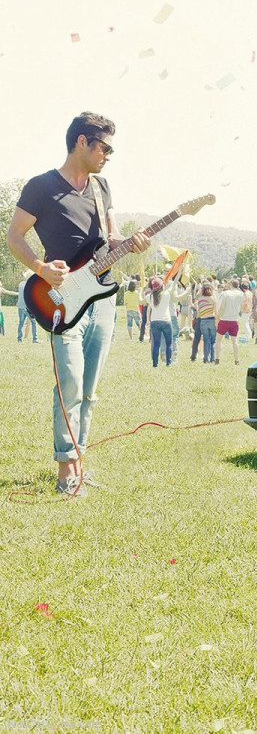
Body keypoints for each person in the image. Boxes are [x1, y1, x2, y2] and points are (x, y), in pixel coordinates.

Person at [4, 112, 150, 496]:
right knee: (68, 382)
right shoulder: (41, 187)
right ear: (82, 142)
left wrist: (128, 244)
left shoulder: (102, 188)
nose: (109, 155)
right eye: (105, 147)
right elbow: (14, 237)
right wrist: (40, 266)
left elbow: (112, 238)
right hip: (60, 301)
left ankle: (79, 465)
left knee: (89, 389)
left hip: (101, 299)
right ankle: (65, 470)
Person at [146, 275, 186, 367]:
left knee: (156, 344)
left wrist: (140, 291)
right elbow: (175, 282)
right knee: (169, 343)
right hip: (166, 321)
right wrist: (179, 272)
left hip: (154, 322)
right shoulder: (166, 294)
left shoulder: (149, 297)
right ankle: (168, 362)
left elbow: (140, 301)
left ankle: (155, 364)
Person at [214, 277, 245, 365]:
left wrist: (218, 318)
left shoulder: (225, 293)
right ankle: (236, 360)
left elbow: (222, 307)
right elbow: (242, 307)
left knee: (219, 339)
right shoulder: (241, 294)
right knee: (234, 341)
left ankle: (217, 359)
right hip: (234, 320)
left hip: (224, 319)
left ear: (231, 285)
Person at [194, 281, 218, 363]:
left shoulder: (200, 299)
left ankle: (205, 359)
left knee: (206, 340)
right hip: (212, 320)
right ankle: (212, 359)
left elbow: (199, 311)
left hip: (203, 321)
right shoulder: (213, 299)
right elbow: (216, 312)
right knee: (213, 341)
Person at [16, 270, 40, 343]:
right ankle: (35, 339)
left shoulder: (21, 284)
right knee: (33, 322)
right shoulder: (32, 284)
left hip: (20, 305)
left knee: (21, 323)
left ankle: (19, 338)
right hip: (27, 307)